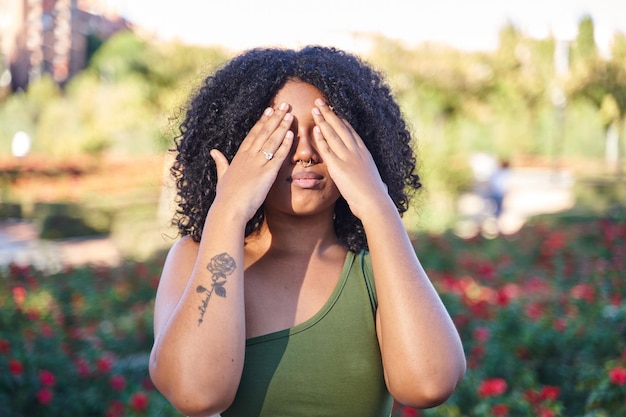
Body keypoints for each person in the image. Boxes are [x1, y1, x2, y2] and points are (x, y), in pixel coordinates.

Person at [149, 46, 466, 417]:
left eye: (326, 133)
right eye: (281, 133)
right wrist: (228, 212)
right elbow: (196, 393)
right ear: (239, 144)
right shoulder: (194, 258)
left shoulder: (375, 271)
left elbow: (429, 384)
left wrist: (378, 207)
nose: (305, 152)